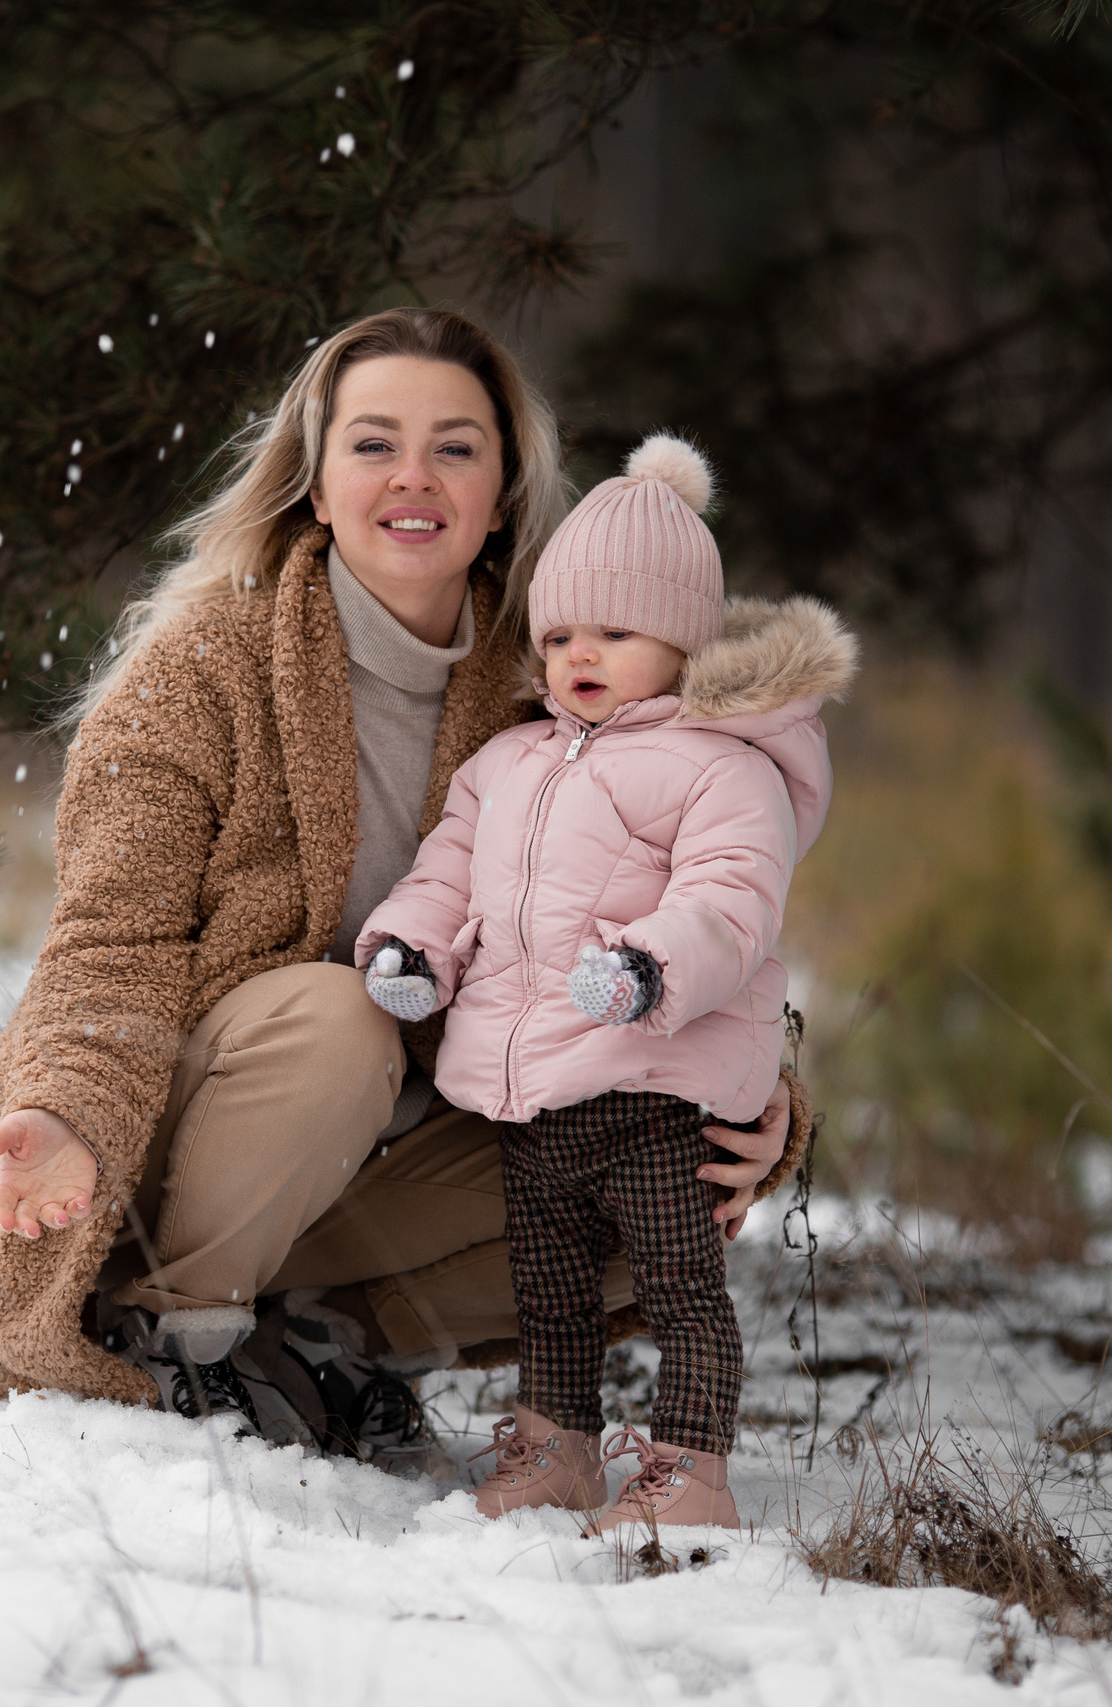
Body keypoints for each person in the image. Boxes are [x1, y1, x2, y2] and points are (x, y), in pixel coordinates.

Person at [0, 310, 811, 1470]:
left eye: (455, 447)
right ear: (315, 482)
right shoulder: (199, 670)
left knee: (647, 1177)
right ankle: (173, 1324)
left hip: (390, 1148)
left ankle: (324, 1341)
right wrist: (68, 1109)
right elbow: (108, 946)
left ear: (502, 496)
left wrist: (760, 1101)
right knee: (342, 1014)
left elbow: (697, 896)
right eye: (373, 443)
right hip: (179, 1128)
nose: (414, 477)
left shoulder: (564, 682)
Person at [358, 435, 857, 1527]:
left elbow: (733, 901)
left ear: (681, 642)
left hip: (653, 1090)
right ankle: (557, 1448)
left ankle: (691, 1469)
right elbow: (448, 874)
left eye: (616, 633)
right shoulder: (509, 763)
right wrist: (411, 950)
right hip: (533, 1097)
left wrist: (645, 966)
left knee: (682, 1286)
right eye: (561, 633)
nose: (580, 654)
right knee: (549, 1294)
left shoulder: (722, 766)